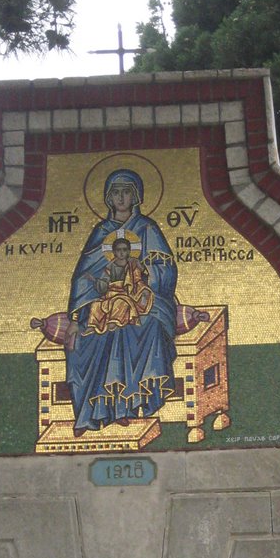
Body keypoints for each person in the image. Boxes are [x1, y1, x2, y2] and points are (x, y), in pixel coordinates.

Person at [64, 168, 177, 431]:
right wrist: (74, 318)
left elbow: (166, 267)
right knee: (86, 338)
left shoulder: (147, 229)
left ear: (136, 196)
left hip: (144, 299)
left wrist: (146, 273)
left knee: (145, 326)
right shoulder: (100, 232)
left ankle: (135, 402)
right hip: (107, 301)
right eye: (116, 192)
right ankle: (102, 409)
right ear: (107, 198)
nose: (121, 197)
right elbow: (84, 276)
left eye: (127, 192)